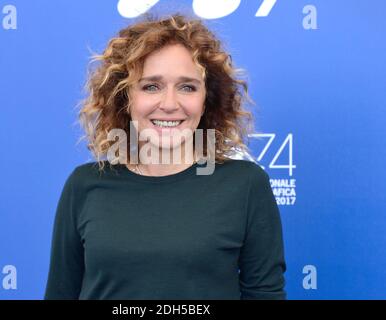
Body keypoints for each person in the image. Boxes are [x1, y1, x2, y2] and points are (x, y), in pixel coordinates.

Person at [44, 13, 286, 300]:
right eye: (151, 86)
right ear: (125, 97)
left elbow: (264, 295)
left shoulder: (245, 184)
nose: (170, 104)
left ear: (207, 98)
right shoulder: (84, 185)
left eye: (187, 87)